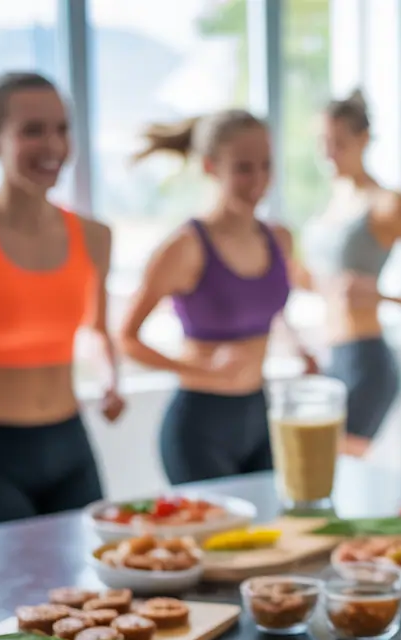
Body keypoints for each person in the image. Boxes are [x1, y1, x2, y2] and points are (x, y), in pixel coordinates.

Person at [0, 72, 123, 530]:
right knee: (11, 603)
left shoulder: (95, 237)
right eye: (33, 130)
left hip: (71, 445)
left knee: (94, 598)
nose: (53, 145)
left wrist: (109, 377)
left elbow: (94, 330)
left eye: (62, 128)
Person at [120, 110, 306, 485]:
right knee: (216, 543)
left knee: (275, 539)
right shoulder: (185, 247)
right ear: (210, 167)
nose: (258, 180)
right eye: (243, 168)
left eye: (266, 166)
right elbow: (126, 338)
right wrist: (201, 370)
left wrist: (299, 347)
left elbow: (267, 307)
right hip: (200, 426)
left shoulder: (279, 238)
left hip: (260, 412)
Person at [299, 89, 401, 456]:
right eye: (323, 142)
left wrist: (381, 295)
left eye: (338, 142)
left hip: (367, 360)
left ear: (364, 140)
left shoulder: (390, 205)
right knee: (312, 470)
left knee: (333, 470)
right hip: (329, 356)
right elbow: (323, 286)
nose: (328, 153)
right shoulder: (330, 205)